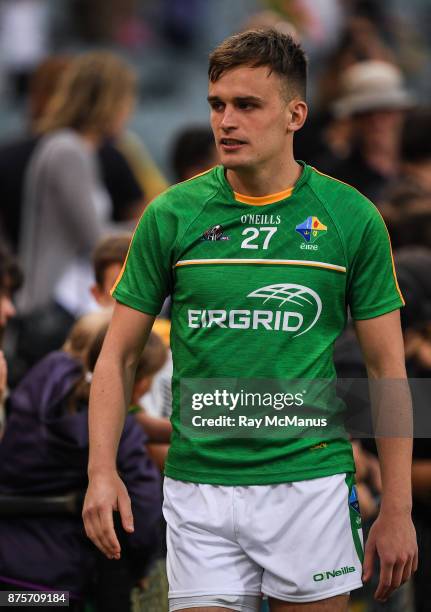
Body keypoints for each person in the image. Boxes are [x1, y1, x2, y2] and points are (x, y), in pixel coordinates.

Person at [83, 29, 417, 612]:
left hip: (309, 484)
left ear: (295, 114)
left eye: (246, 105)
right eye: (217, 105)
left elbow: (387, 368)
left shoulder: (351, 216)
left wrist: (398, 508)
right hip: (198, 488)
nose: (226, 122)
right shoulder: (170, 214)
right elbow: (115, 356)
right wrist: (100, 471)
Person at [0, 310, 162, 610]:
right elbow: (146, 510)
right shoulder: (119, 432)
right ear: (138, 382)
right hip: (58, 581)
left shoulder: (45, 373)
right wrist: (141, 565)